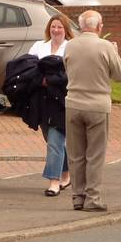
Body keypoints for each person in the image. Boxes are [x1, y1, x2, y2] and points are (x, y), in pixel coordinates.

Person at [63, 10, 121, 212]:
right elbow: (120, 75)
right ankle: (93, 198)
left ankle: (77, 197)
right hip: (97, 105)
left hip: (73, 103)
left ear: (81, 26)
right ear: (99, 26)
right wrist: (115, 53)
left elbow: (67, 70)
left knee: (75, 154)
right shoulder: (105, 46)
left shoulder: (70, 45)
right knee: (95, 155)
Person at [28, 14, 73, 196]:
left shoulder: (71, 47)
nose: (56, 30)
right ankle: (67, 174)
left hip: (62, 101)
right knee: (53, 140)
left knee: (55, 142)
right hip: (42, 100)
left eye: (60, 27)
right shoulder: (39, 46)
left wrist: (52, 80)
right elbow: (28, 68)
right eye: (53, 27)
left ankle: (54, 182)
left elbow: (72, 72)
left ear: (66, 30)